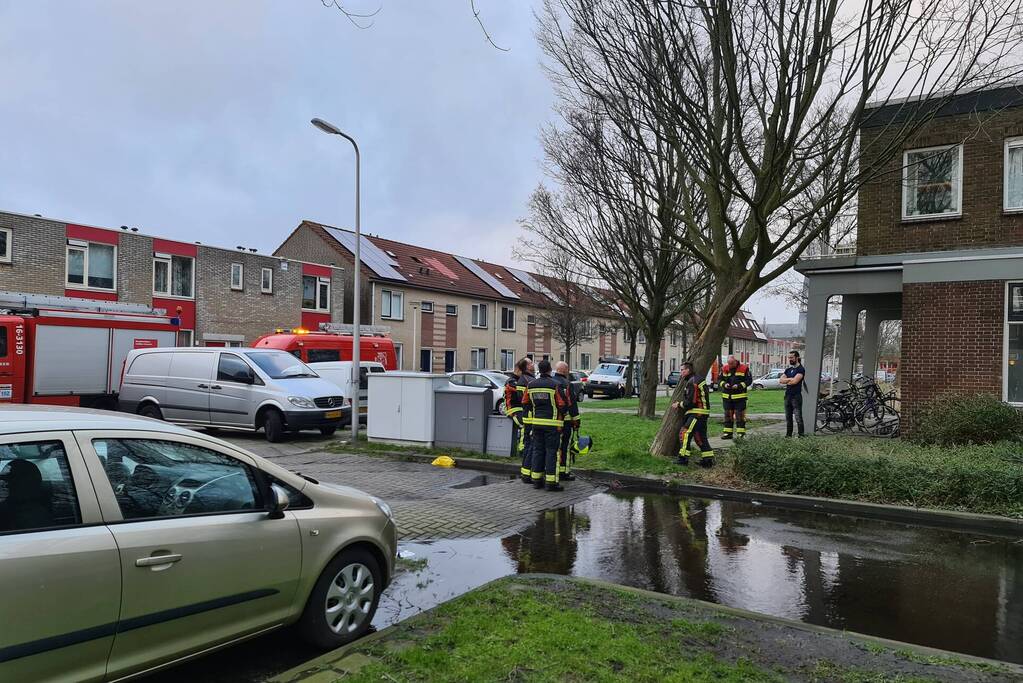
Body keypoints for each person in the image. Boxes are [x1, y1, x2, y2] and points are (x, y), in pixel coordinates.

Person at [523, 359, 571, 491]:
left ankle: (537, 480)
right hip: (553, 425)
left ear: (539, 370)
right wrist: (563, 414)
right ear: (550, 370)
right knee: (552, 452)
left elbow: (525, 402)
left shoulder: (531, 385)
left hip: (536, 424)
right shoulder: (555, 385)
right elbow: (563, 404)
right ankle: (551, 483)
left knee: (538, 451)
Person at [671, 362, 714, 467]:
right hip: (702, 413)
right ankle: (708, 460)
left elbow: (691, 402)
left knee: (685, 433)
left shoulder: (692, 382)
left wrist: (679, 404)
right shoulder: (696, 379)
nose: (680, 372)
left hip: (697, 412)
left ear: (688, 370)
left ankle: (683, 459)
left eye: (682, 370)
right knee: (700, 436)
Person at [553, 361, 581, 481]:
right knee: (565, 446)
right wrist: (577, 421)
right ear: (565, 371)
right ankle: (564, 472)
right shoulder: (568, 384)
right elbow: (572, 405)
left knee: (554, 448)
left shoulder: (551, 382)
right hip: (566, 422)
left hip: (552, 422)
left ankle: (553, 470)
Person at [718, 355, 752, 440]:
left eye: (731, 364)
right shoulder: (724, 368)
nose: (730, 366)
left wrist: (739, 385)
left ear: (736, 362)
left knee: (739, 415)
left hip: (740, 397)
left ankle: (741, 433)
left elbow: (749, 381)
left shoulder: (744, 368)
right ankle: (728, 433)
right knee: (727, 415)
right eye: (729, 363)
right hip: (727, 397)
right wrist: (724, 384)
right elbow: (719, 379)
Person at [514, 358, 536, 482]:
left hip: (530, 416)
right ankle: (527, 473)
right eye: (531, 362)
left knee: (530, 444)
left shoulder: (527, 379)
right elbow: (526, 401)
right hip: (530, 417)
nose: (533, 364)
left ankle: (527, 472)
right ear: (527, 367)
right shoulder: (526, 381)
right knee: (530, 444)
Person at [779, 350, 805, 437]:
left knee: (798, 418)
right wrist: (790, 379)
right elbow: (781, 380)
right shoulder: (788, 369)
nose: (790, 359)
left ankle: (801, 435)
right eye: (789, 357)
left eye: (791, 357)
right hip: (787, 396)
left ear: (797, 358)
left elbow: (794, 382)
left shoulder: (801, 369)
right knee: (788, 418)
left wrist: (788, 380)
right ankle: (788, 435)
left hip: (796, 397)